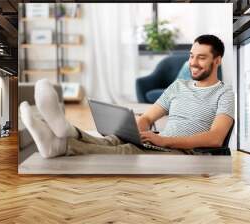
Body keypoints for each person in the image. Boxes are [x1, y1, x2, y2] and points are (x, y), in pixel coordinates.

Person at [20, 34, 234, 158]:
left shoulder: (224, 93)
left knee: (126, 150)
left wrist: (166, 141)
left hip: (185, 152)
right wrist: (134, 128)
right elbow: (149, 118)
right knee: (116, 139)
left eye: (201, 58)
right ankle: (68, 131)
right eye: (191, 56)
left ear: (217, 61)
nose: (193, 63)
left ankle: (62, 145)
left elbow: (215, 138)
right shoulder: (178, 86)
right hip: (161, 142)